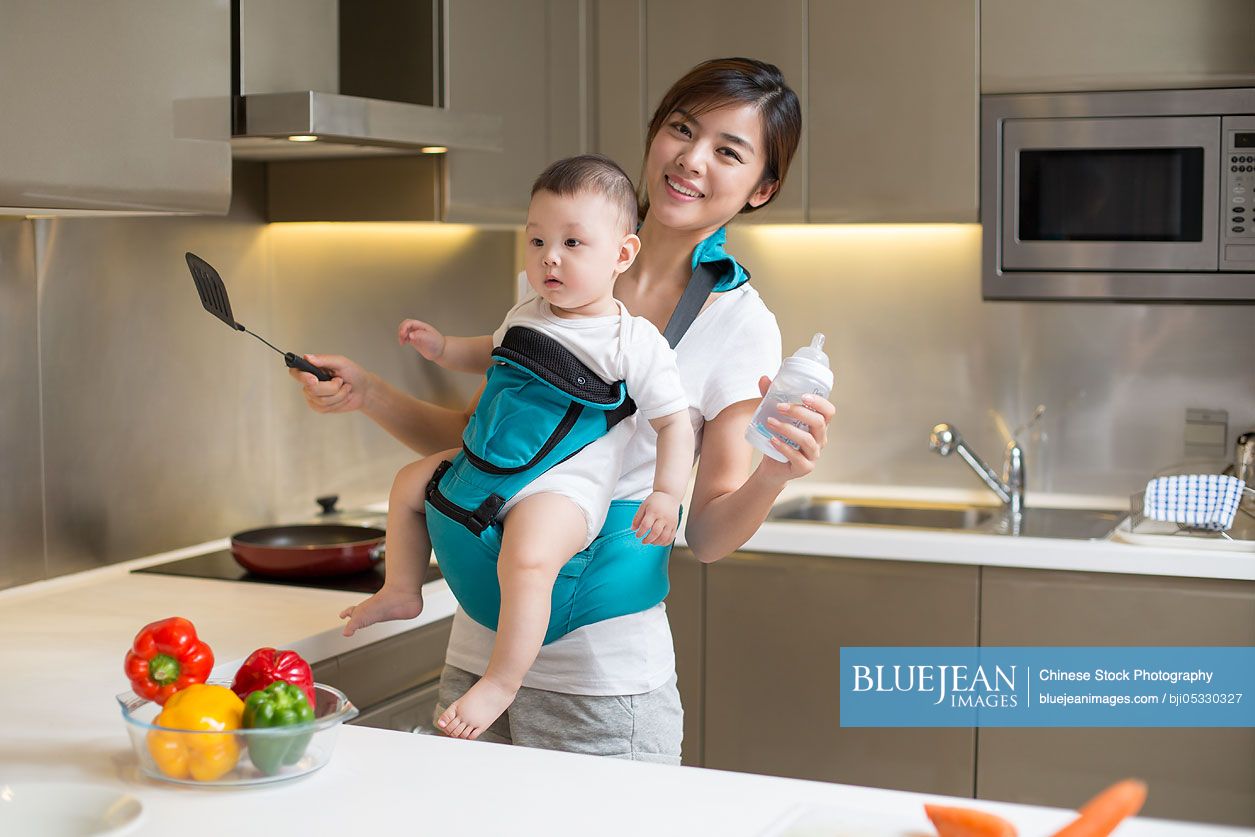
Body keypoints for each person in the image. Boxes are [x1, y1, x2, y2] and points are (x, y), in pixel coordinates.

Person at [290, 57, 834, 764]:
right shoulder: (554, 267)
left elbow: (704, 533)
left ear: (760, 189)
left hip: (602, 686)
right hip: (474, 662)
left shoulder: (738, 323)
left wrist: (772, 476)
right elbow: (491, 443)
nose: (691, 159)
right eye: (680, 129)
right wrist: (369, 393)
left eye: (727, 152)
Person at [339, 155, 695, 740]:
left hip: (567, 489)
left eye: (573, 242)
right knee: (410, 483)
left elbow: (676, 424)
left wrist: (666, 493)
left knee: (528, 557)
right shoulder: (526, 313)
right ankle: (401, 590)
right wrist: (441, 348)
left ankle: (501, 681)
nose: (549, 257)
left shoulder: (632, 342)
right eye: (537, 240)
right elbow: (491, 350)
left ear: (622, 255)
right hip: (491, 470)